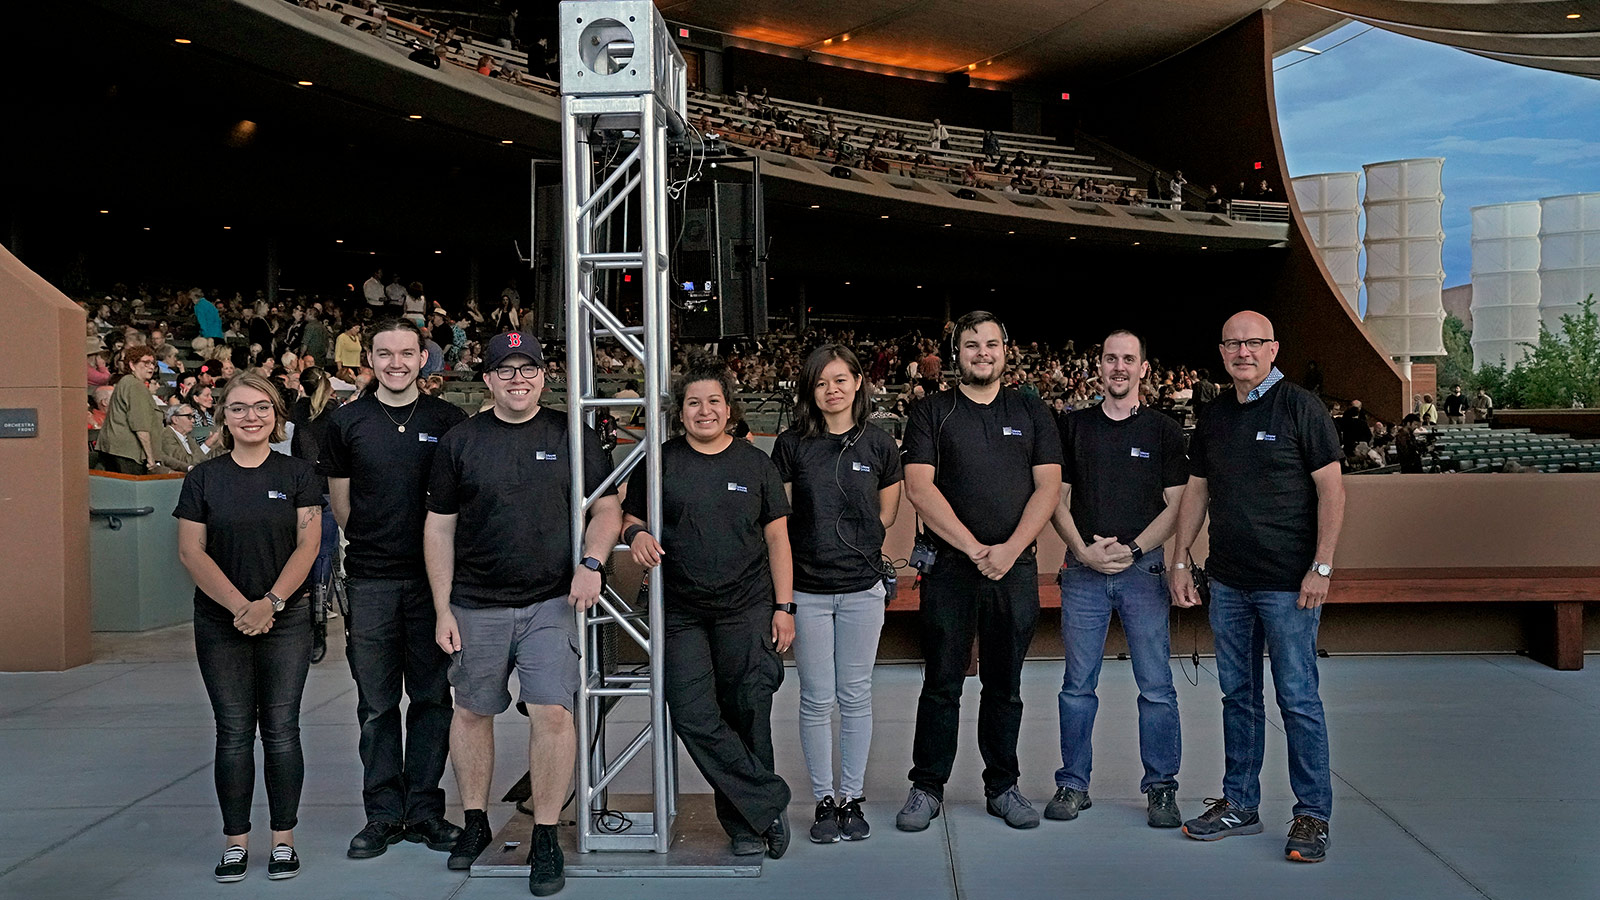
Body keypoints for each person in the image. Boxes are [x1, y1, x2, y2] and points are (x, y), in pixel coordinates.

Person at [425, 331, 620, 895]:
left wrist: (593, 561)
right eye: (504, 370)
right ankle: (475, 822)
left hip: (550, 602)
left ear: (543, 375)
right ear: (485, 379)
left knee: (553, 714)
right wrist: (443, 609)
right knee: (472, 713)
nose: (517, 379)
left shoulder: (570, 434)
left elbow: (607, 508)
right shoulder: (459, 442)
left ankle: (545, 837)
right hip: (475, 603)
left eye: (527, 369)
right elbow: (439, 529)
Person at [1169, 310, 1345, 864]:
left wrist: (1321, 567)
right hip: (1229, 583)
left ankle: (1312, 814)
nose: (1242, 352)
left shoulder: (1301, 407)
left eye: (1253, 343)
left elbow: (1332, 492)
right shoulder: (1216, 416)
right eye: (1232, 344)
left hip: (1288, 586)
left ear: (1272, 349)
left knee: (1297, 698)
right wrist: (1180, 561)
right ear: (1221, 352)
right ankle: (1240, 804)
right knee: (1237, 697)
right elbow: (1196, 494)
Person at [896, 310, 1063, 832]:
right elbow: (919, 488)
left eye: (992, 343)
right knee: (942, 682)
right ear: (956, 354)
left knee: (1004, 684)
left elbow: (1048, 487)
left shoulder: (1032, 412)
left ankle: (1003, 785)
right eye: (972, 345)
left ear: (1006, 350)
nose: (982, 353)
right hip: (951, 568)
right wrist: (974, 549)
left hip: (1014, 569)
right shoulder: (931, 413)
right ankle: (926, 787)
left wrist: (1010, 549)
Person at [622, 359, 795, 859]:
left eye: (713, 401)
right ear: (681, 412)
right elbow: (631, 514)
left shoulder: (755, 463)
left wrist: (784, 607)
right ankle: (768, 800)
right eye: (694, 402)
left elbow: (778, 539)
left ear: (729, 408)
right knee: (694, 714)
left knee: (748, 711)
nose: (704, 411)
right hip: (681, 611)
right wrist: (635, 533)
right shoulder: (661, 459)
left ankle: (746, 824)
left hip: (746, 607)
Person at [320, 323, 470, 860]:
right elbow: (342, 505)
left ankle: (426, 811)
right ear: (371, 358)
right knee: (377, 705)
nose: (397, 362)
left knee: (433, 699)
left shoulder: (449, 420)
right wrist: (374, 545)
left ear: (423, 357)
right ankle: (383, 814)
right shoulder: (345, 422)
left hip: (435, 584)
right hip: (372, 581)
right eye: (385, 353)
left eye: (407, 352)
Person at [174, 371, 324, 883]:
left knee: (281, 731)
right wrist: (244, 606)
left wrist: (272, 602)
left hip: (287, 619)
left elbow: (309, 546)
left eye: (261, 407)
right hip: (221, 622)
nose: (251, 416)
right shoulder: (203, 478)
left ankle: (283, 840)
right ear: (224, 417)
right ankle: (236, 842)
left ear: (275, 413)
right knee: (234, 733)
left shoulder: (299, 474)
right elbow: (190, 551)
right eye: (238, 408)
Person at [1046, 329, 1187, 828]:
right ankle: (1072, 784)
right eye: (1111, 359)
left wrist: (1131, 549)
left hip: (1143, 572)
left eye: (1129, 359)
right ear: (1099, 366)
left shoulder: (1165, 432)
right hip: (1082, 572)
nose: (1119, 367)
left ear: (1143, 368)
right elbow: (1054, 500)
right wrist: (1084, 550)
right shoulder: (1073, 427)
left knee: (1156, 687)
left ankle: (1162, 789)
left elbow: (1176, 507)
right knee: (1076, 687)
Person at [772, 345, 903, 844]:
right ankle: (824, 800)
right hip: (806, 590)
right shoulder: (790, 444)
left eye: (841, 380)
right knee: (815, 698)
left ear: (857, 384)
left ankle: (852, 799)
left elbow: (886, 514)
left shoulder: (879, 444)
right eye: (822, 382)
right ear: (810, 389)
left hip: (862, 589)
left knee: (855, 696)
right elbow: (780, 520)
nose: (833, 390)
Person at [96, 346, 164, 474]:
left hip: (115, 450)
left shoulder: (127, 382)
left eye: (153, 363)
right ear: (132, 365)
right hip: (127, 454)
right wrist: (150, 458)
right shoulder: (135, 386)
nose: (151, 367)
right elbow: (140, 426)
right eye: (146, 363)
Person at [159, 403, 223, 472]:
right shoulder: (166, 436)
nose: (193, 421)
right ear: (175, 420)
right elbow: (186, 462)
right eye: (189, 417)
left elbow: (200, 458)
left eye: (193, 417)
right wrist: (208, 443)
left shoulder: (188, 437)